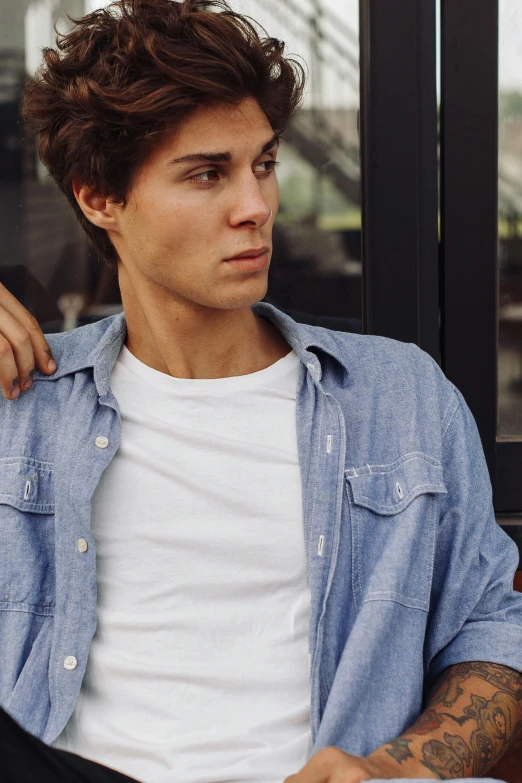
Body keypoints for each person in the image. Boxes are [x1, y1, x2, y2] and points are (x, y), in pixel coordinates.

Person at [0, 1, 521, 781]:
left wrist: (398, 768)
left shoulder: (399, 397)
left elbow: (489, 624)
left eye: (265, 164)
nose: (257, 207)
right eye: (208, 173)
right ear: (98, 196)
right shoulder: (23, 407)